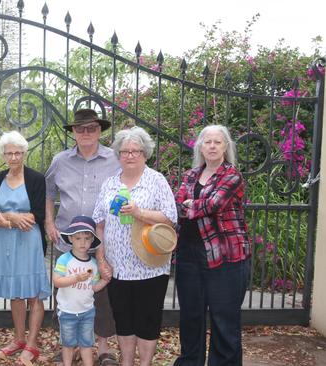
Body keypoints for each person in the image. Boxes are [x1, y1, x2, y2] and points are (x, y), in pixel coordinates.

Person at [92, 126, 177, 366]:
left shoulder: (156, 180)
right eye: (125, 151)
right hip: (118, 267)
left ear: (145, 154)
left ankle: (145, 363)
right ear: (118, 154)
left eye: (135, 151)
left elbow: (170, 218)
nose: (130, 155)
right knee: (124, 321)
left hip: (150, 266)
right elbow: (99, 224)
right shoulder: (110, 184)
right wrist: (101, 259)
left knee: (147, 321)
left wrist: (139, 212)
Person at [45, 108, 120, 366]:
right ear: (73, 132)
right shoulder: (60, 160)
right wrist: (49, 220)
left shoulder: (115, 159)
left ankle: (103, 348)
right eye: (80, 128)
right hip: (67, 239)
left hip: (102, 238)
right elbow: (49, 192)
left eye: (91, 128)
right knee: (67, 291)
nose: (86, 133)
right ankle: (71, 346)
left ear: (100, 130)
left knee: (101, 292)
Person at [173, 125, 251, 366]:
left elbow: (213, 204)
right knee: (191, 318)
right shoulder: (190, 175)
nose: (213, 146)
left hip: (226, 257)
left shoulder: (232, 176)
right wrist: (189, 205)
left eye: (218, 142)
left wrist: (190, 205)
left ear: (226, 147)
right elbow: (176, 206)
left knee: (224, 320)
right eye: (208, 142)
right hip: (188, 255)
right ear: (200, 146)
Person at [0, 131, 51, 366]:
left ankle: (32, 345)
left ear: (25, 153)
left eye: (18, 152)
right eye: (9, 153)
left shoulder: (36, 178)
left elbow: (36, 214)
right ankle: (19, 339)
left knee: (33, 291)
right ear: (3, 155)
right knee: (16, 292)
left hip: (29, 240)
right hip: (5, 241)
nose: (13, 157)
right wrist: (11, 218)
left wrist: (8, 218)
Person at [53, 216, 110, 366]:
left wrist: (105, 280)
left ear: (92, 240)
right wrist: (76, 278)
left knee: (86, 344)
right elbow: (57, 281)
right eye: (78, 238)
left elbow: (93, 287)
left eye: (87, 238)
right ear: (71, 239)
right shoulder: (64, 260)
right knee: (68, 344)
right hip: (67, 311)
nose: (82, 242)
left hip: (87, 311)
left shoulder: (93, 263)